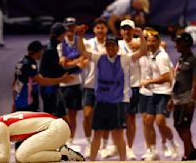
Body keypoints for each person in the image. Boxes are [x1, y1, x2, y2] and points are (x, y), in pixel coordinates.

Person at [76, 24, 147, 161]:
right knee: (97, 132)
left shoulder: (124, 58)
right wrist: (80, 36)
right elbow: (83, 52)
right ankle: (92, 160)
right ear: (105, 47)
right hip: (101, 102)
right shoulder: (99, 58)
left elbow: (142, 52)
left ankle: (122, 160)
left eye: (113, 46)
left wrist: (142, 37)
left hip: (117, 103)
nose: (110, 48)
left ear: (117, 47)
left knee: (119, 133)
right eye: (108, 46)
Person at [0, 111, 85, 162]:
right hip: (57, 127)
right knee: (26, 156)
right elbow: (0, 158)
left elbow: (4, 159)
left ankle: (62, 154)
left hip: (57, 129)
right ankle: (61, 153)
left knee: (21, 155)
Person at [139, 29, 180, 160]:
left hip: (164, 93)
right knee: (148, 120)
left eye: (153, 41)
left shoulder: (162, 56)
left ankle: (173, 144)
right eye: (148, 41)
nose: (150, 43)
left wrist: (148, 81)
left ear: (158, 42)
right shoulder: (151, 54)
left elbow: (166, 77)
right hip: (153, 93)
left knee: (160, 121)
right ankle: (152, 151)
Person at [12, 40, 74, 112]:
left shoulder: (21, 62)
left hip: (20, 100)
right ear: (38, 52)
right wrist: (61, 80)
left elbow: (14, 83)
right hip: (28, 102)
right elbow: (42, 81)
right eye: (41, 51)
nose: (42, 53)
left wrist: (15, 101)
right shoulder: (29, 65)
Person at [80, 18, 107, 158]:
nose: (100, 30)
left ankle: (102, 143)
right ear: (94, 30)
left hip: (105, 86)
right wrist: (82, 62)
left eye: (102, 28)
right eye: (98, 28)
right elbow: (81, 56)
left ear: (106, 30)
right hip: (90, 84)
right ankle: (89, 142)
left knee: (102, 116)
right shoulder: (88, 44)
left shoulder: (111, 44)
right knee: (87, 115)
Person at [57, 17, 86, 145]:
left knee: (73, 115)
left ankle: (70, 140)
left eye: (72, 26)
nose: (70, 29)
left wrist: (70, 62)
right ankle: (60, 139)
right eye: (68, 27)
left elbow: (84, 59)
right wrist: (76, 62)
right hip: (62, 84)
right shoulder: (60, 43)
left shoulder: (79, 42)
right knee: (61, 116)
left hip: (75, 83)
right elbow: (62, 64)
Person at [168, 32, 196, 160]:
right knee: (178, 126)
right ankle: (192, 151)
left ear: (186, 43)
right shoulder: (180, 59)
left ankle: (187, 154)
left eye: (178, 42)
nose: (176, 45)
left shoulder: (193, 60)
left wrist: (192, 99)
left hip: (187, 98)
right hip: (177, 98)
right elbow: (176, 79)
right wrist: (171, 98)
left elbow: (195, 81)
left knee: (184, 126)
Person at [117, 19, 142, 160]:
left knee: (131, 118)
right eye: (124, 29)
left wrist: (140, 39)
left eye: (129, 29)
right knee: (116, 118)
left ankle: (130, 148)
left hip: (133, 85)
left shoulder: (139, 43)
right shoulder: (116, 44)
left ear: (133, 30)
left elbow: (161, 43)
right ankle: (115, 145)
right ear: (120, 31)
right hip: (118, 87)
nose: (126, 31)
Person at [39, 22, 66, 115]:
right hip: (49, 87)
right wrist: (76, 68)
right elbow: (56, 70)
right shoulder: (51, 50)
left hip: (49, 86)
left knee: (61, 114)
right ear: (61, 35)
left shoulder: (48, 46)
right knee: (51, 116)